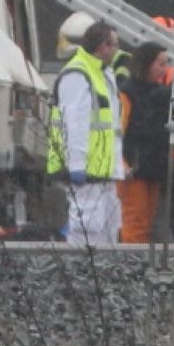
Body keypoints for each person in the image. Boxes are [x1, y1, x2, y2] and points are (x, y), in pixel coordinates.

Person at [46, 20, 125, 245]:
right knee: (87, 230)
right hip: (87, 171)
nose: (118, 50)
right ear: (102, 47)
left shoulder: (101, 73)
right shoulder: (78, 74)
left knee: (109, 228)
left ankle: (100, 274)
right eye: (115, 45)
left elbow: (109, 128)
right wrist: (77, 164)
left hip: (102, 171)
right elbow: (75, 123)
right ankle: (84, 274)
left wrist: (117, 165)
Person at [118, 43, 173, 243]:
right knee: (135, 222)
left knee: (148, 223)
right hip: (134, 165)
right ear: (147, 64)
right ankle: (130, 267)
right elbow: (120, 130)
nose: (164, 69)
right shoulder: (127, 92)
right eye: (161, 64)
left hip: (154, 164)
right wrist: (123, 161)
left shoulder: (161, 92)